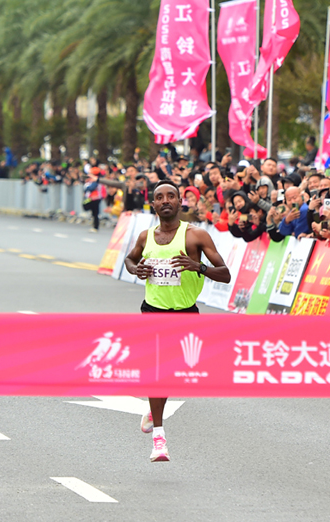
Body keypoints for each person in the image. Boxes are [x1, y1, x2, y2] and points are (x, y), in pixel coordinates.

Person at [124, 180, 231, 462]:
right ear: (154, 204)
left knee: (173, 371)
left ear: (180, 201)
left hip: (185, 314)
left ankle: (152, 409)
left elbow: (225, 273)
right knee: (156, 370)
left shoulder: (195, 236)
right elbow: (129, 260)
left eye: (171, 195)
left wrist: (198, 267)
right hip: (153, 312)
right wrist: (138, 270)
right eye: (160, 197)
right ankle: (159, 439)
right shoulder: (145, 237)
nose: (166, 200)